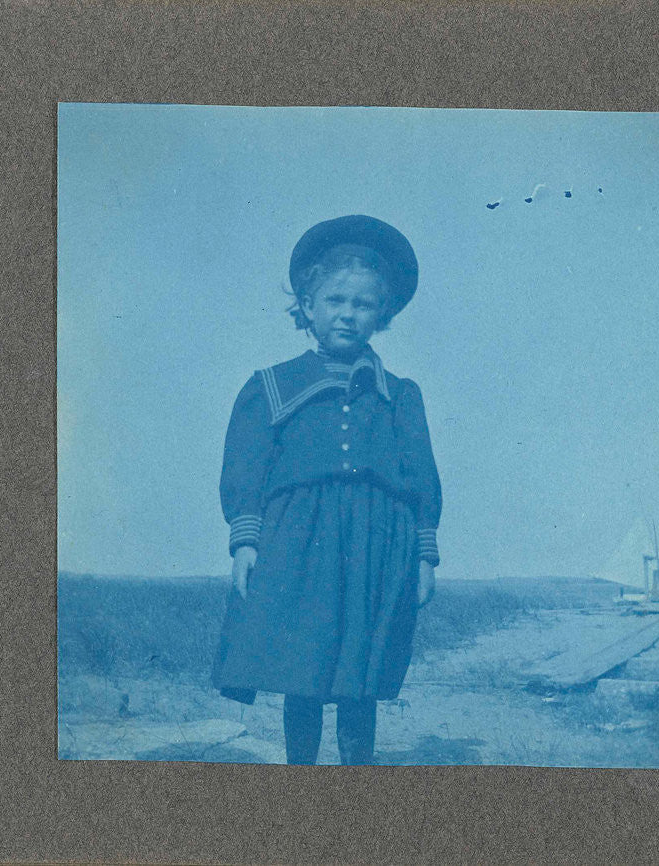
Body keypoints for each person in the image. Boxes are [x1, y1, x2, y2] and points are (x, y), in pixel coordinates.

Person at [211, 214, 442, 765]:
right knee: (304, 666)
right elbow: (245, 468)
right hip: (299, 542)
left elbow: (421, 477)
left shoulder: (401, 395)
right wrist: (246, 542)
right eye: (335, 300)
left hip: (377, 544)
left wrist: (424, 555)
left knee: (359, 670)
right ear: (308, 306)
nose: (347, 313)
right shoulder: (270, 385)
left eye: (363, 304)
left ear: (381, 314)